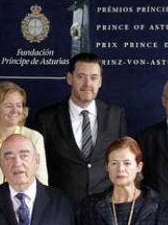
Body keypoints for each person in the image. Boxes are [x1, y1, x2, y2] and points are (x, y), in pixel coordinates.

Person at [33, 52, 127, 206]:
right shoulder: (46, 119)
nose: (87, 83)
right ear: (70, 78)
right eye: (81, 76)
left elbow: (123, 160)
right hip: (61, 207)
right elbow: (38, 167)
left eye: (93, 77)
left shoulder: (116, 115)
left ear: (100, 81)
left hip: (106, 208)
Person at [0, 81, 48, 199]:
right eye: (8, 106)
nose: (15, 111)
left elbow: (41, 182)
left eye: (19, 105)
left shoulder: (35, 138)